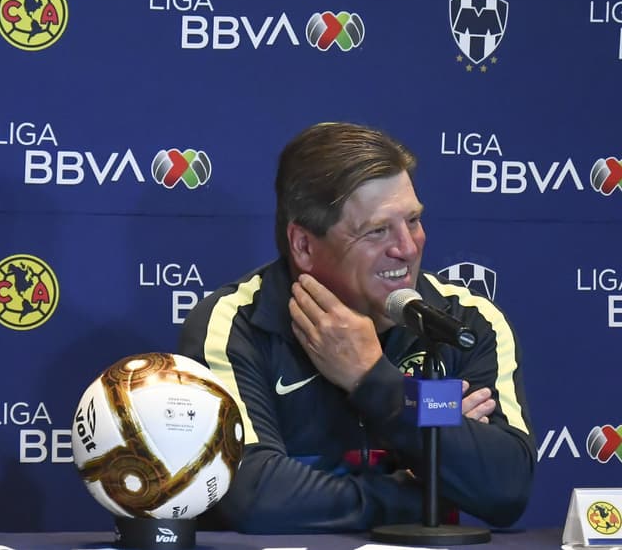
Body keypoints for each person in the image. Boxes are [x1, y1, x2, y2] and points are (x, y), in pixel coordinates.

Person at [178, 122, 533, 533]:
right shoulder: (233, 325)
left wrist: (373, 379)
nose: (407, 246)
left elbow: (507, 488)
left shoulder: (465, 323)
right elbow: (254, 497)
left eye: (413, 220)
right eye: (377, 230)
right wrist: (425, 491)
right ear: (304, 246)